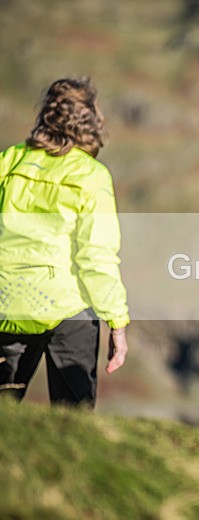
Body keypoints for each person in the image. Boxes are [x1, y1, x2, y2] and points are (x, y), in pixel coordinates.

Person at [0, 77, 129, 407]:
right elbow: (97, 258)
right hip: (69, 311)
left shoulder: (9, 161)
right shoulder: (92, 176)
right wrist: (117, 323)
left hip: (7, 303)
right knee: (74, 419)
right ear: (90, 123)